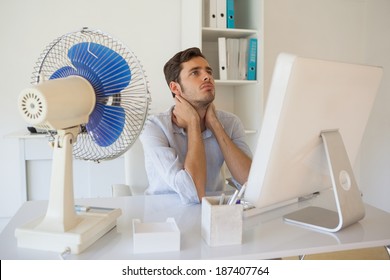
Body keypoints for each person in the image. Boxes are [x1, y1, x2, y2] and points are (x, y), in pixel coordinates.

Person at [140, 47, 252, 204]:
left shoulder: (230, 122)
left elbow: (251, 183)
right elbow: (193, 192)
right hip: (163, 214)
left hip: (213, 211)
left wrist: (215, 125)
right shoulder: (154, 127)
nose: (207, 77)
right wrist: (193, 122)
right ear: (175, 88)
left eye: (209, 71)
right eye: (195, 73)